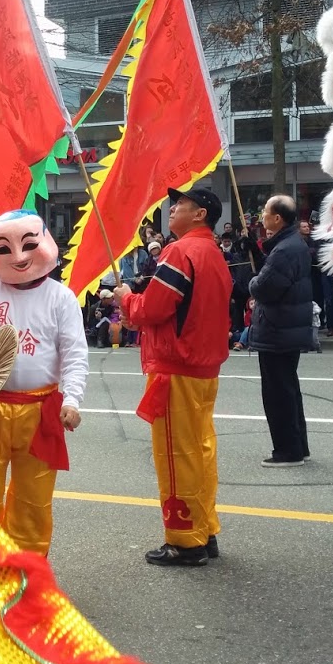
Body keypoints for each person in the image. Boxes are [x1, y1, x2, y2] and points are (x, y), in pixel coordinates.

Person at [0, 210, 86, 555]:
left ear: (45, 242)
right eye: (5, 248)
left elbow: (74, 354)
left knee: (33, 498)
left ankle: (28, 568)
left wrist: (72, 400)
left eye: (28, 245)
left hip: (40, 412)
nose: (20, 257)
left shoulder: (61, 297)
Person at [113, 186, 231, 567]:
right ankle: (204, 528)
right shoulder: (213, 253)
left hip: (177, 367)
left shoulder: (180, 251)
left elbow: (154, 308)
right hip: (203, 369)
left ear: (200, 214)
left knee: (176, 455)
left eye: (179, 204)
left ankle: (185, 540)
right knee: (200, 451)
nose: (173, 208)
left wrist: (127, 298)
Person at [247, 196, 318, 466]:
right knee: (287, 388)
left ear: (278, 218)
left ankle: (288, 451)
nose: (262, 216)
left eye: (266, 212)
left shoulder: (285, 249)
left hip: (278, 328)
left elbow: (264, 286)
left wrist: (253, 282)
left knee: (278, 393)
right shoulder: (289, 244)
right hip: (285, 326)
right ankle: (298, 445)